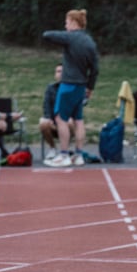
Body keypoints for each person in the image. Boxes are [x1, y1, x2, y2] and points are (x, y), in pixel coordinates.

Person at [42, 9, 99, 167]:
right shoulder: (90, 42)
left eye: (67, 22)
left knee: (61, 119)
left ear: (74, 23)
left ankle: (64, 155)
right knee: (79, 120)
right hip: (81, 86)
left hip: (68, 85)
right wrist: (90, 87)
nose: (65, 26)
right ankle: (78, 155)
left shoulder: (70, 37)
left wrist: (64, 35)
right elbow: (95, 69)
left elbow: (47, 35)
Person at [38, 64, 63, 160]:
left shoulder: (72, 88)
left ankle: (64, 151)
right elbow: (46, 105)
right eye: (58, 71)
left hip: (68, 121)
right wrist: (48, 118)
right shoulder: (50, 88)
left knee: (69, 122)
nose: (60, 74)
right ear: (55, 75)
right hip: (54, 122)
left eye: (62, 71)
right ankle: (53, 149)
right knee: (43, 123)